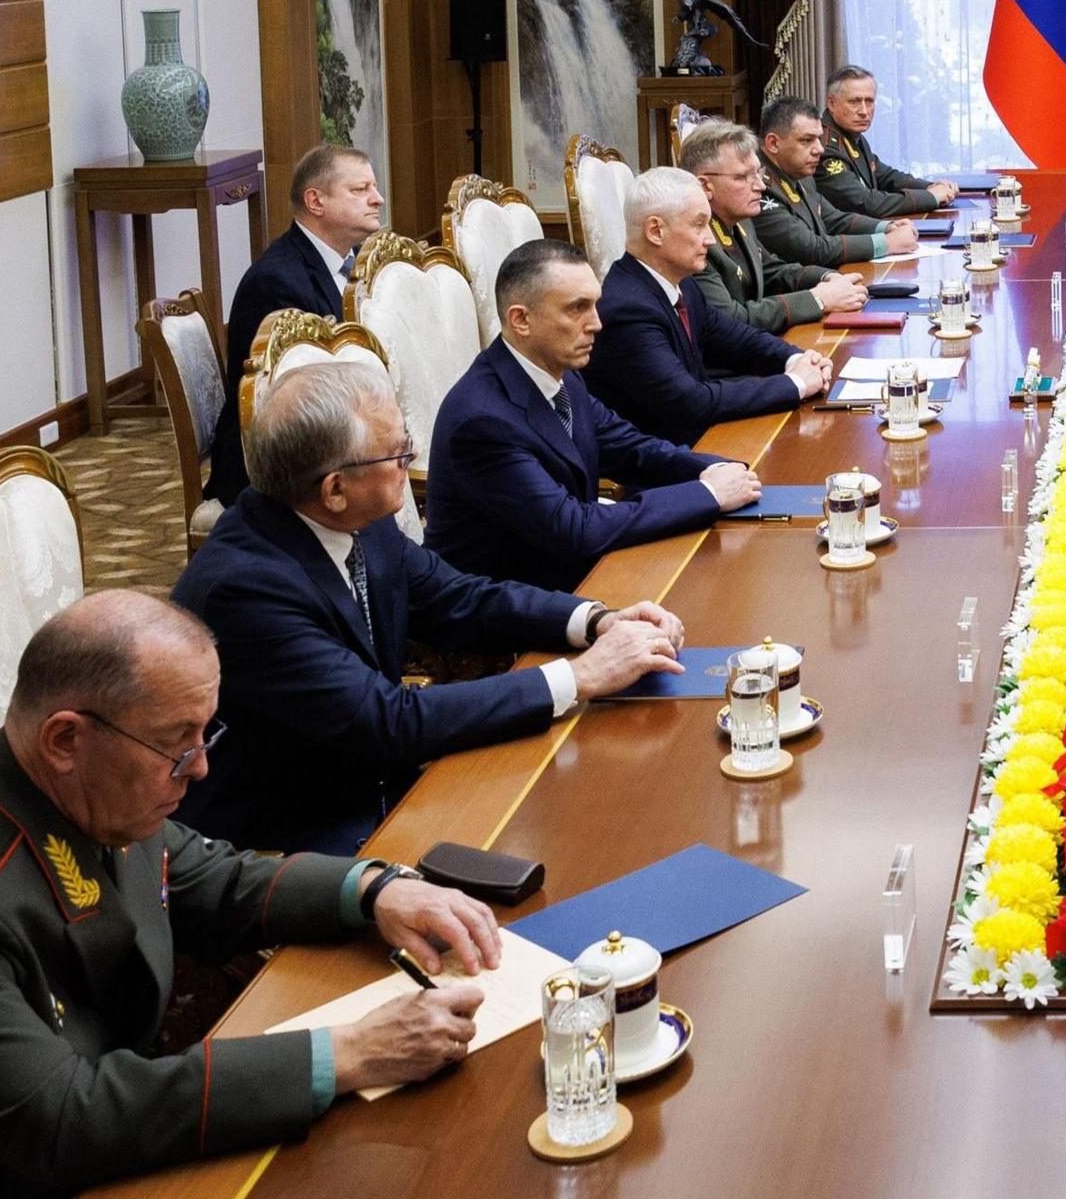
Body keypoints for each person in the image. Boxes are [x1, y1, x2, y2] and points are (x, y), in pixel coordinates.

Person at [0, 591, 501, 1199]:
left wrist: (373, 889)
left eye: (205, 735)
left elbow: (208, 877)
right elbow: (62, 1118)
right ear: (65, 737)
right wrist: (349, 1052)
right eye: (178, 747)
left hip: (125, 1149)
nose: (200, 768)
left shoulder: (84, 785)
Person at [173, 362, 688, 853]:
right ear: (334, 489)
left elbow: (460, 597)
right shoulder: (247, 589)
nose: (411, 459)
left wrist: (595, 620)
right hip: (297, 835)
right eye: (397, 454)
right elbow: (385, 722)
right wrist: (581, 678)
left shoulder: (356, 520)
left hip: (375, 780)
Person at [424, 239, 763, 592]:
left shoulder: (560, 371)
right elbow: (573, 528)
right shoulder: (483, 421)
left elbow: (630, 448)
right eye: (577, 309)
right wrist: (707, 493)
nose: (597, 324)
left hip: (574, 574)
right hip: (516, 608)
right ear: (521, 319)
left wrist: (717, 468)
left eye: (595, 305)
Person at [581, 166, 836, 446]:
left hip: (702, 438)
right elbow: (689, 402)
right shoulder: (627, 309)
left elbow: (737, 340)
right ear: (655, 230)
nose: (710, 239)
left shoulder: (681, 283)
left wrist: (797, 359)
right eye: (699, 224)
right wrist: (796, 384)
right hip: (666, 460)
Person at [208, 144, 386, 504]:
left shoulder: (358, 266)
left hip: (337, 433)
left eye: (374, 188)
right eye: (360, 190)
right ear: (315, 201)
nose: (377, 199)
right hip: (277, 465)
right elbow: (294, 402)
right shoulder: (276, 283)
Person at [680, 117, 865, 337]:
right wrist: (818, 299)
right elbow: (733, 320)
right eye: (743, 177)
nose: (760, 185)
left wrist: (827, 278)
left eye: (757, 173)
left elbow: (771, 271)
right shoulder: (693, 241)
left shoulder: (740, 219)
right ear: (704, 185)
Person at [753, 95, 918, 268]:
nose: (819, 149)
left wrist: (885, 227)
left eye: (818, 138)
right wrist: (887, 243)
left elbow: (833, 219)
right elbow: (811, 250)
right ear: (773, 143)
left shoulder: (801, 173)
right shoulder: (757, 186)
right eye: (807, 140)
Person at [818, 65, 958, 218]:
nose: (864, 111)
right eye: (854, 102)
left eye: (869, 101)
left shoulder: (850, 134)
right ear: (832, 103)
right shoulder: (825, 147)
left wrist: (932, 187)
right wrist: (930, 197)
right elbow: (865, 203)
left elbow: (886, 176)